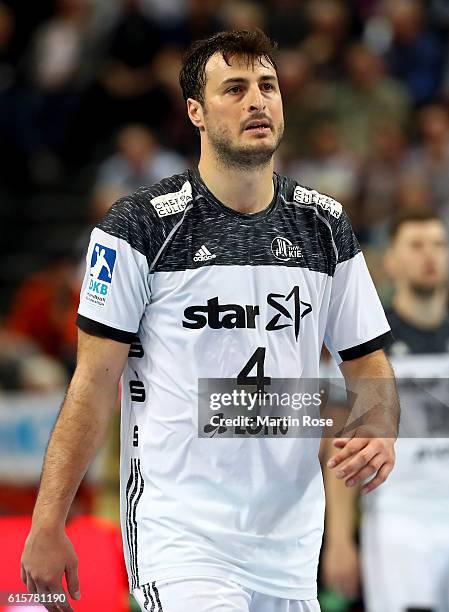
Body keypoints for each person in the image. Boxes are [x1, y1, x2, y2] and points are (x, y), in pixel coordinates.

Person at [21, 30, 397, 612]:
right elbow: (93, 384)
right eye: (236, 88)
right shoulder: (137, 228)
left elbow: (367, 360)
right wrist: (48, 522)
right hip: (180, 533)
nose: (258, 101)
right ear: (195, 111)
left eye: (268, 86)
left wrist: (379, 423)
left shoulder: (325, 226)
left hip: (291, 544)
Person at [322, 211, 449, 612]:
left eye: (438, 244)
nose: (429, 255)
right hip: (397, 521)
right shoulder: (366, 349)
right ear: (391, 260)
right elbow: (337, 448)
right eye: (415, 245)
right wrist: (339, 540)